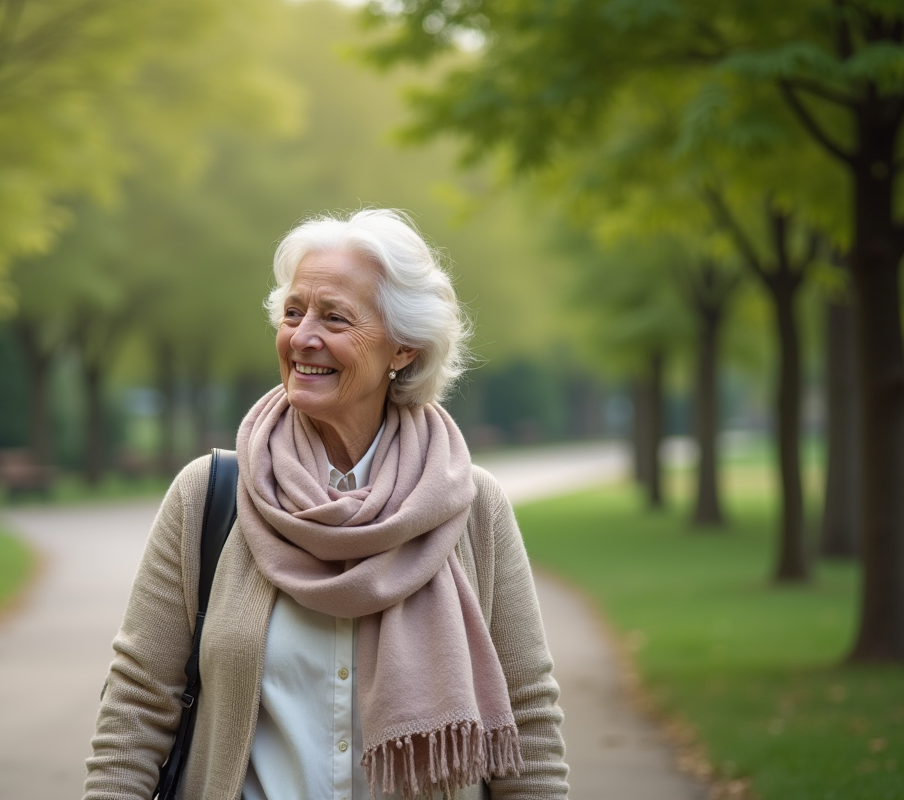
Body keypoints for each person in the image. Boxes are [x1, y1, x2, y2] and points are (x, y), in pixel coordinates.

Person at [84, 209, 569, 800]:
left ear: (404, 349)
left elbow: (529, 725)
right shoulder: (208, 497)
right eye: (293, 313)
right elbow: (135, 709)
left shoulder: (472, 507)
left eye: (335, 318)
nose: (303, 336)